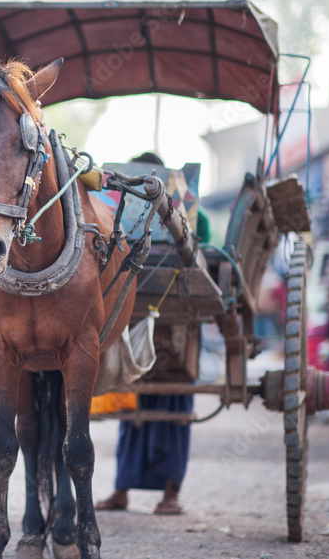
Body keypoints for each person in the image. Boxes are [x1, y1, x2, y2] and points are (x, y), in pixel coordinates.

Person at [96, 152, 196, 515]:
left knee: (173, 396)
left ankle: (170, 493)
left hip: (175, 319)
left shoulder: (113, 211)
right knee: (130, 399)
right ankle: (123, 490)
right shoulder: (106, 220)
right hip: (127, 298)